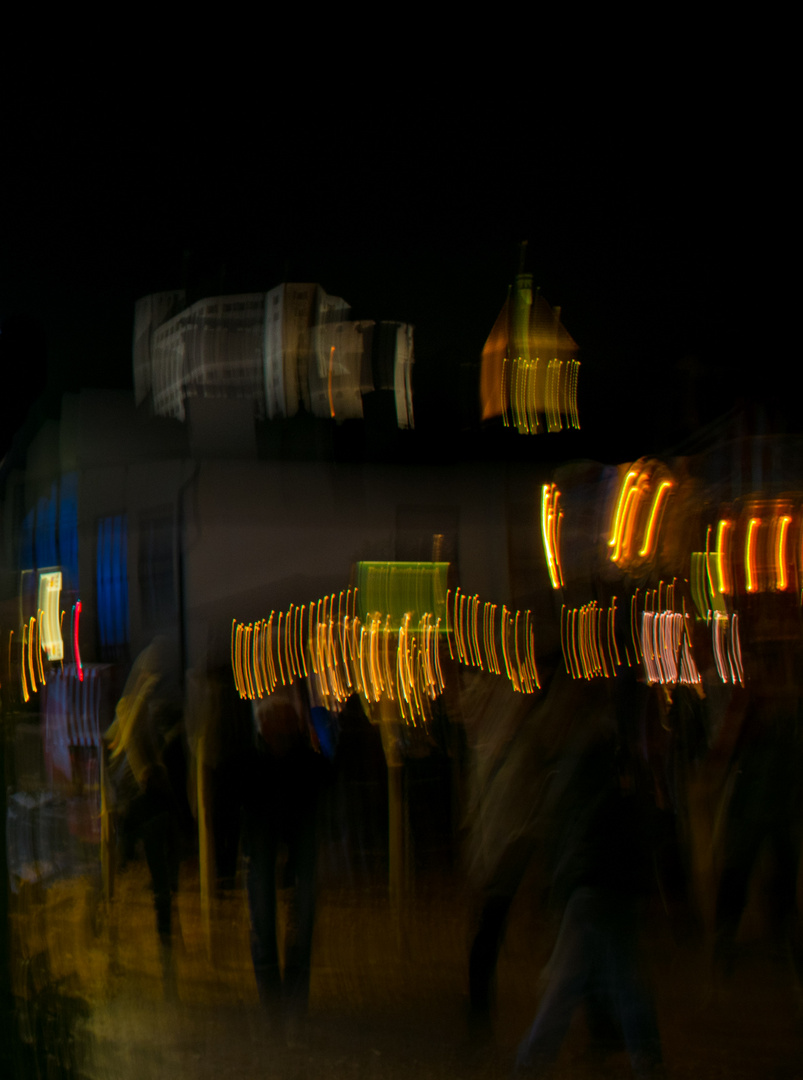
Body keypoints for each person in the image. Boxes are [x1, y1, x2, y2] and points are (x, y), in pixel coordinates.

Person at [514, 731, 665, 1079]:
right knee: (615, 978)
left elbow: (572, 831)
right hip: (611, 887)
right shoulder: (620, 767)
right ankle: (646, 1055)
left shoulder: (583, 766)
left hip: (593, 886)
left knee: (572, 981)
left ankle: (534, 1059)